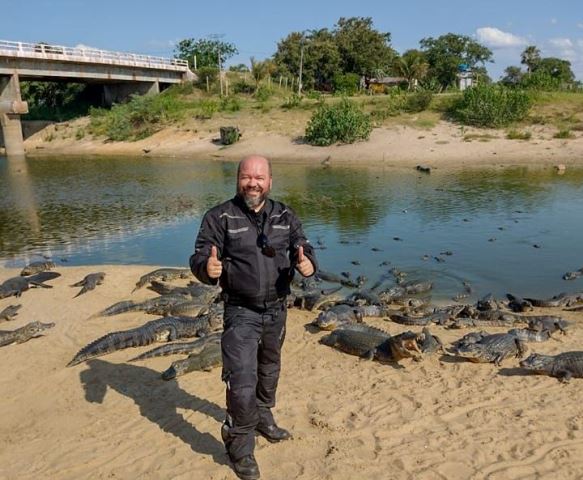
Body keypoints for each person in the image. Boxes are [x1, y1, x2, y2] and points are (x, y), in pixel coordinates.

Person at [190, 155, 317, 480]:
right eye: (247, 177)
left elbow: (302, 247)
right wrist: (207, 268)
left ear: (270, 181)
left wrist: (308, 265)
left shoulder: (285, 214)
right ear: (238, 179)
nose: (253, 183)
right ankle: (240, 446)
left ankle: (263, 416)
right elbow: (201, 255)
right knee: (242, 382)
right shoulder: (220, 216)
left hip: (277, 309)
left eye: (259, 177)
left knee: (269, 369)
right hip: (240, 311)